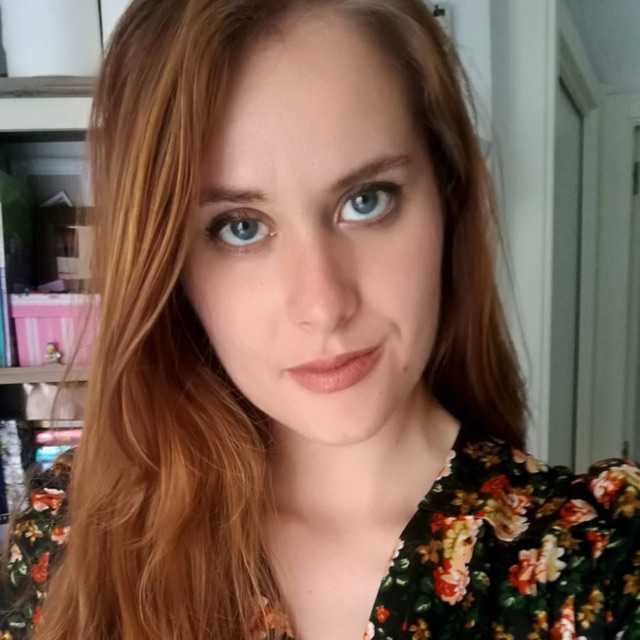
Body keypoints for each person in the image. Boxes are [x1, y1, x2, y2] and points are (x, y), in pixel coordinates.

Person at [2, 0, 640, 638]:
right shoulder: (73, 540)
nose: (323, 306)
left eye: (367, 201)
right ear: (168, 264)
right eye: (240, 227)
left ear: (448, 197)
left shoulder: (601, 568)